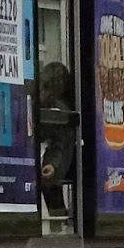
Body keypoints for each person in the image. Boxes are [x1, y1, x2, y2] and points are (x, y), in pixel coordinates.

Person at [38, 62, 77, 219]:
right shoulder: (57, 107)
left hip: (58, 162)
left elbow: (59, 143)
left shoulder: (59, 111)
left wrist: (52, 164)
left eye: (43, 89)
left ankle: (58, 213)